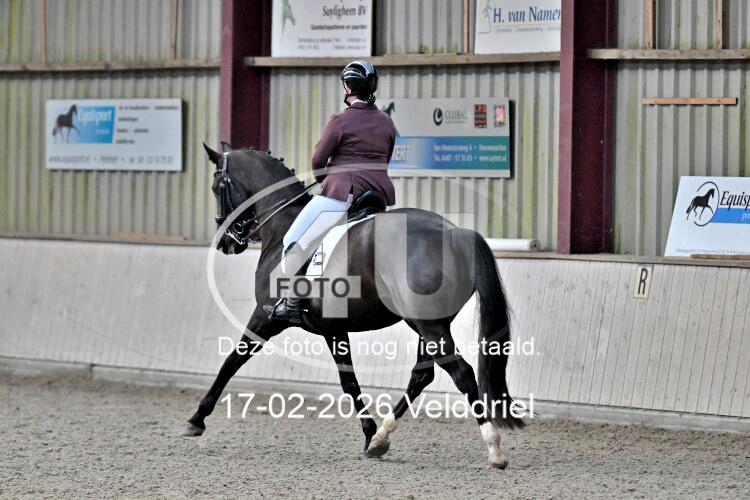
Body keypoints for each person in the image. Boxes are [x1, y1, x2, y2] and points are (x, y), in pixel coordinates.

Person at [269, 60, 397, 323]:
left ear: (348, 87)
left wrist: (325, 181)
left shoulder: (339, 121)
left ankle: (293, 302)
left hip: (343, 193)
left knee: (292, 240)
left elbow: (318, 159)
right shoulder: (387, 122)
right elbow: (386, 158)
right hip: (378, 195)